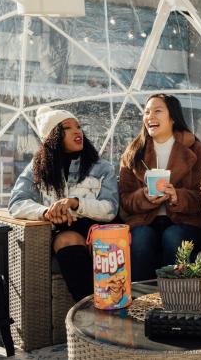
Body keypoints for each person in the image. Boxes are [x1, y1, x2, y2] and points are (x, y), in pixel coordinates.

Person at [9, 106, 119, 301]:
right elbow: (17, 202)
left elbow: (110, 209)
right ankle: (91, 307)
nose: (77, 131)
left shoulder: (102, 168)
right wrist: (46, 212)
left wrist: (76, 203)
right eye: (67, 128)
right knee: (66, 240)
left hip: (97, 227)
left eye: (78, 126)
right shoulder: (38, 168)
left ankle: (107, 304)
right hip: (64, 230)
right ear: (53, 137)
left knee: (95, 242)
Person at [119, 93, 201, 281]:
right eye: (146, 112)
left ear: (173, 117)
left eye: (157, 111)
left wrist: (177, 197)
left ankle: (175, 299)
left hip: (185, 222)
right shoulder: (133, 152)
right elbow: (125, 199)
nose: (150, 116)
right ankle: (141, 300)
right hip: (144, 220)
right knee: (141, 238)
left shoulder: (194, 149)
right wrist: (143, 197)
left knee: (173, 237)